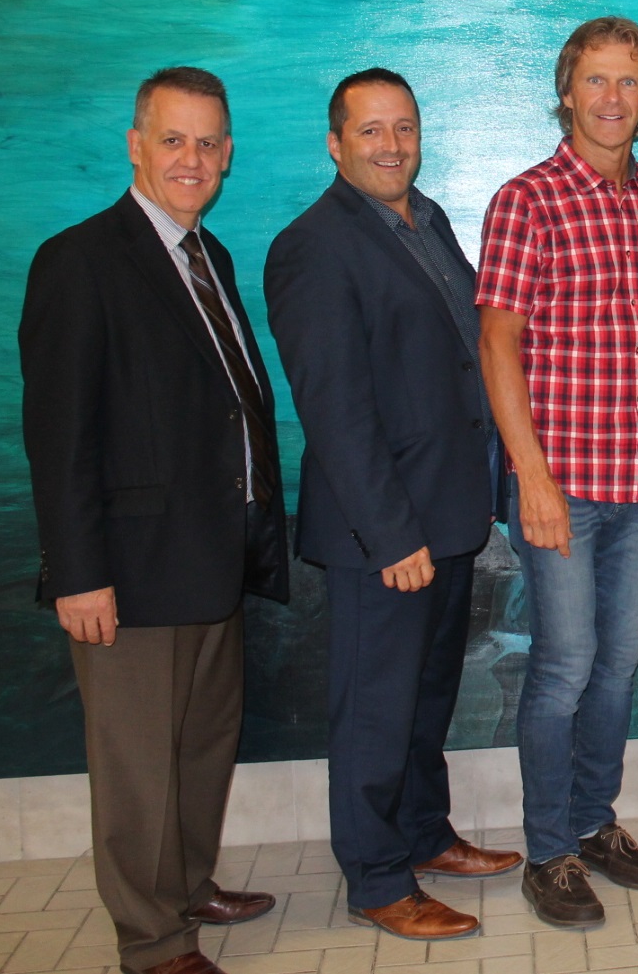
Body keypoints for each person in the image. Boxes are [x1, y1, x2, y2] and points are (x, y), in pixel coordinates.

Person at [19, 67, 289, 974]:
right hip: (127, 573)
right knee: (137, 765)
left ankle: (188, 884)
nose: (193, 158)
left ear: (228, 154)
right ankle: (153, 939)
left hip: (210, 558)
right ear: (136, 144)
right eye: (173, 140)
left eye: (209, 142)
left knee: (202, 741)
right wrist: (76, 571)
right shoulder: (80, 260)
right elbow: (59, 438)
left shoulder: (205, 254)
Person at [265, 69, 521, 942]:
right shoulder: (313, 245)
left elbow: (460, 360)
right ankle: (377, 877)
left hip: (448, 516)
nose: (391, 145)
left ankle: (422, 833)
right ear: (335, 144)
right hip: (386, 531)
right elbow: (333, 409)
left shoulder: (429, 218)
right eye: (370, 131)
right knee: (376, 706)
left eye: (403, 127)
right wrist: (390, 533)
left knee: (424, 696)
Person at [478, 16, 638, 928]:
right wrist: (527, 474)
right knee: (562, 668)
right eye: (595, 81)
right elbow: (496, 342)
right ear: (568, 90)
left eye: (628, 81)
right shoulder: (526, 199)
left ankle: (598, 824)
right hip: (559, 482)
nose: (612, 98)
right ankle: (550, 850)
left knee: (616, 667)